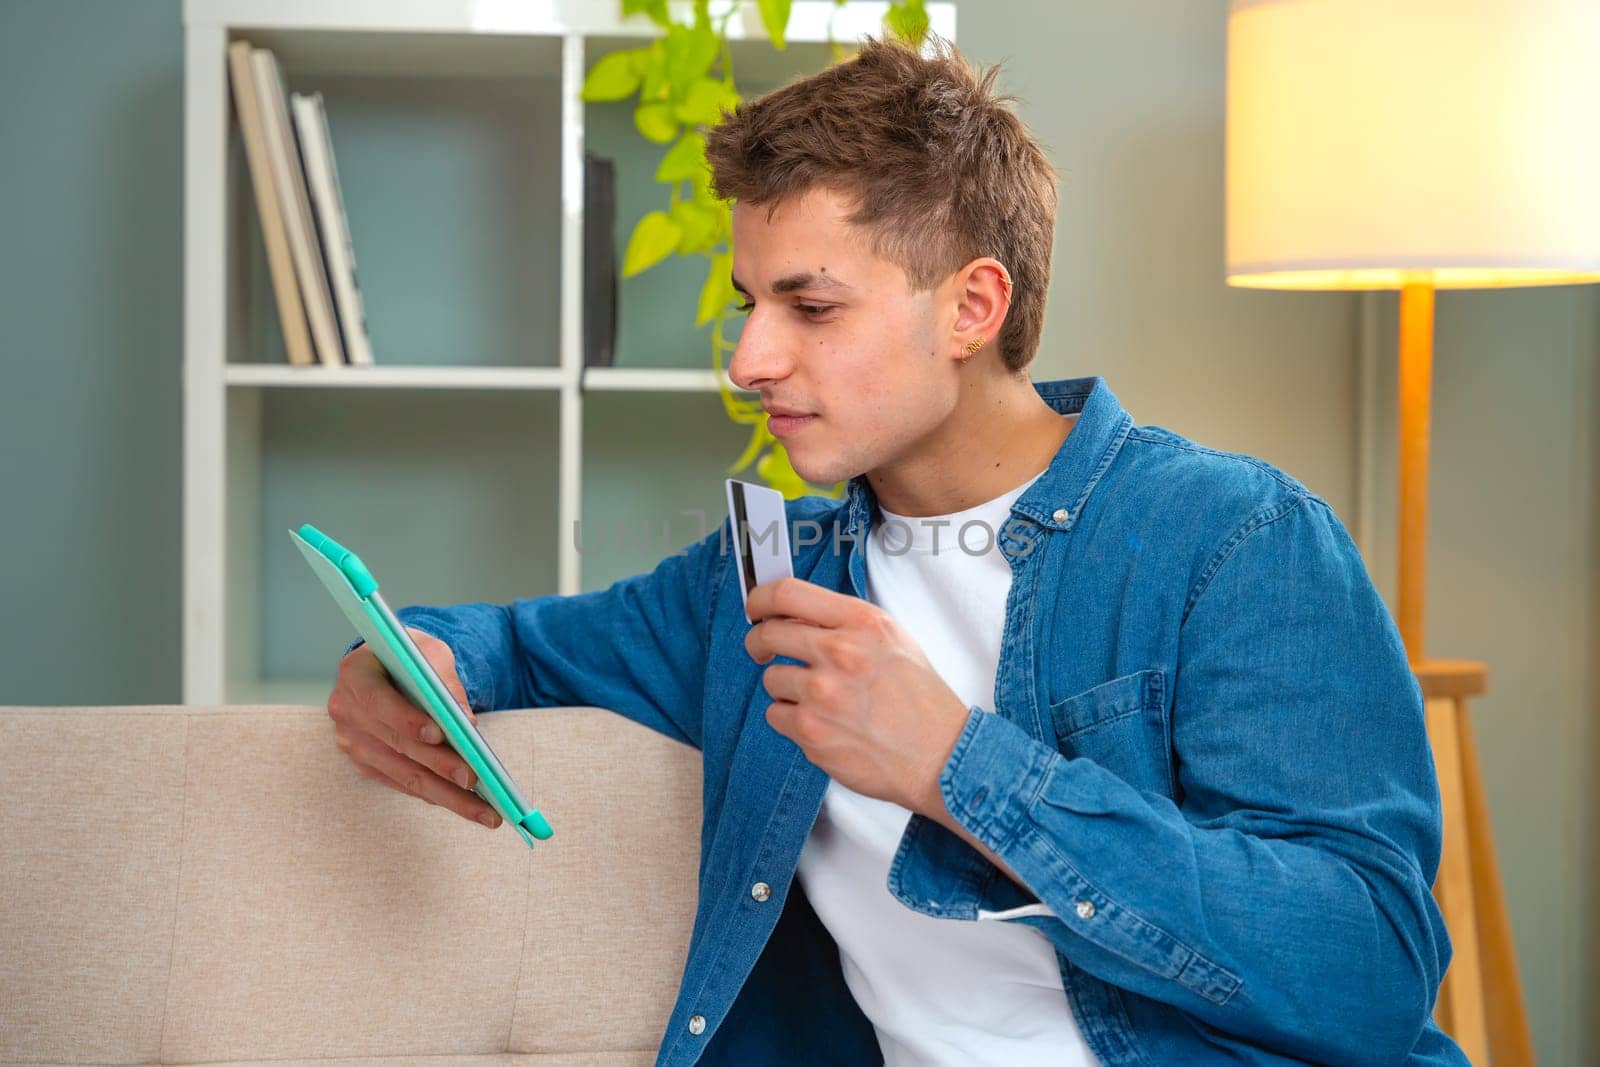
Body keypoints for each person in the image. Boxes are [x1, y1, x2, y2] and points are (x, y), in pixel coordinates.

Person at [327, 37, 1466, 1067]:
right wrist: (410, 660)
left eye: (809, 308)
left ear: (971, 307)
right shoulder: (767, 576)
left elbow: (1364, 968)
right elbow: (520, 644)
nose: (748, 359)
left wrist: (956, 765)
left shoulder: (1233, 539)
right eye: (747, 304)